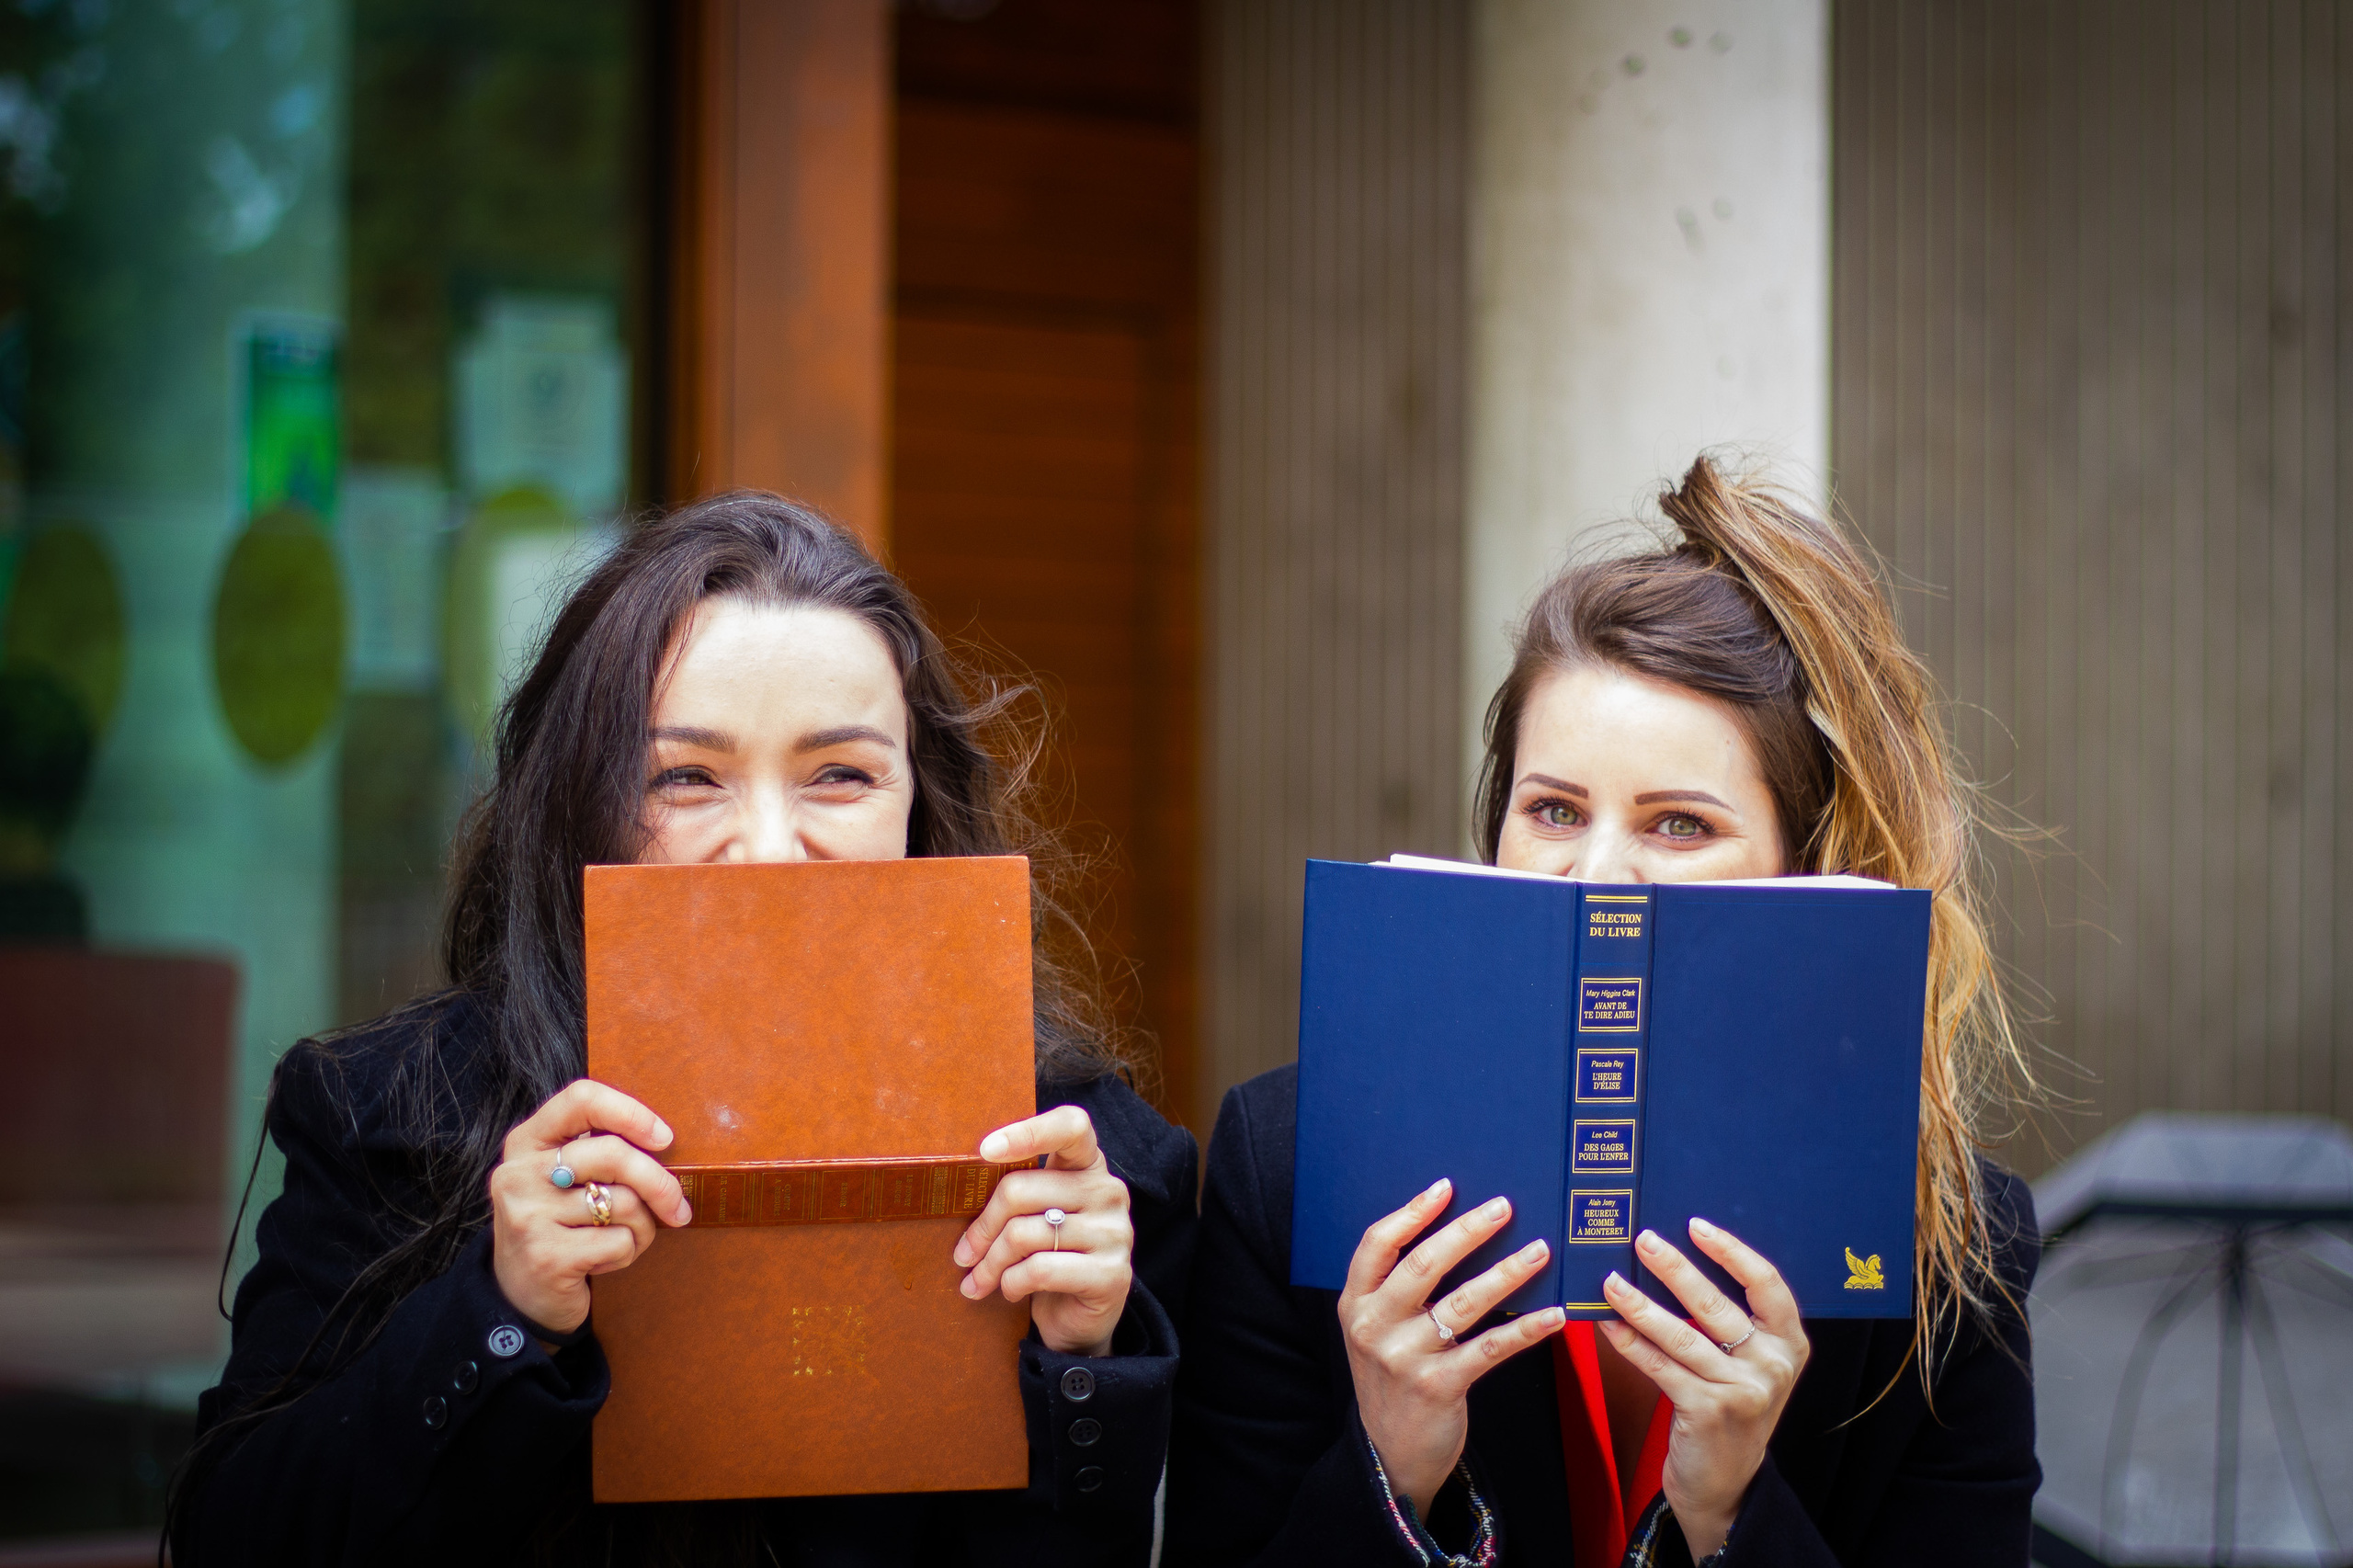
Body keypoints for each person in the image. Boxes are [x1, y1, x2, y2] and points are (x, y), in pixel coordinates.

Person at [172, 494, 1197, 1567]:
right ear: (583, 803)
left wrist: (1083, 1362)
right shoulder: (383, 1114)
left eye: (839, 773)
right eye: (685, 777)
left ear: (918, 806)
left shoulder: (1083, 1173)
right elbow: (231, 1534)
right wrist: (498, 1309)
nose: (766, 849)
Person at [1167, 456, 2041, 1568]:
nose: (1597, 875)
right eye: (1553, 809)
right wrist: (1390, 1471)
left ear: (1802, 868)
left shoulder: (1947, 1248)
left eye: (1679, 824)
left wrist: (1731, 1511)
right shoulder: (1291, 1172)